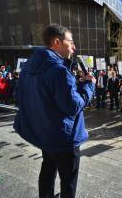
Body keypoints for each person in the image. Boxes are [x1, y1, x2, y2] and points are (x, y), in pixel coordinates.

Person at [13, 24, 96, 198]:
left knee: (48, 169)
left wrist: (76, 85)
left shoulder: (28, 66)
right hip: (64, 137)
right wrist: (89, 85)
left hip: (44, 132)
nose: (74, 47)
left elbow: (47, 96)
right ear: (57, 42)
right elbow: (72, 107)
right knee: (68, 180)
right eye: (71, 42)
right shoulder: (59, 70)